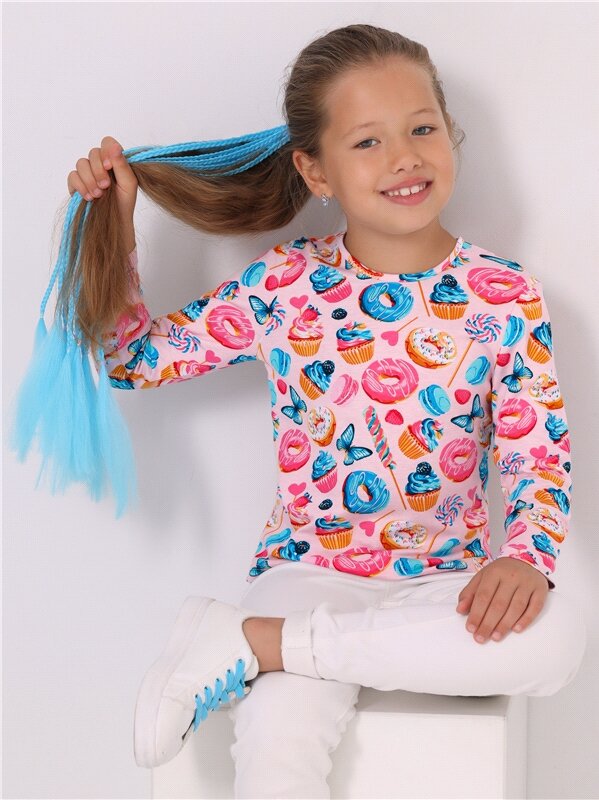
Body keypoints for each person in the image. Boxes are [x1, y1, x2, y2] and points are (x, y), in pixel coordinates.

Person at [15, 23, 587, 799]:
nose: (403, 157)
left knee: (555, 643)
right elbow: (135, 360)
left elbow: (534, 453)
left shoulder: (505, 295)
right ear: (314, 170)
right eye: (367, 141)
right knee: (279, 741)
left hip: (445, 580)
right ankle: (281, 639)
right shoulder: (285, 284)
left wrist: (526, 557)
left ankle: (253, 643)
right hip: (309, 570)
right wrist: (117, 222)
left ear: (449, 132)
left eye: (421, 129)